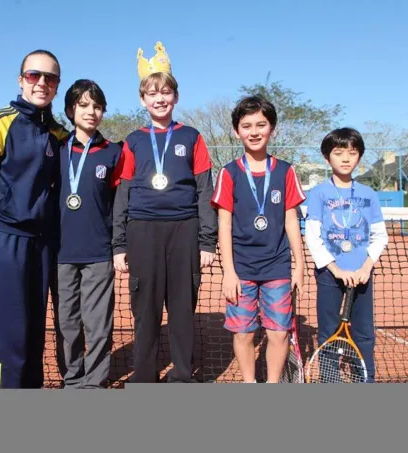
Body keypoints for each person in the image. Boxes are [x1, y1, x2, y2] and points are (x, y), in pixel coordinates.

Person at [112, 41, 218, 383]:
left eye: (166, 92)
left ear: (175, 96)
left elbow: (204, 191)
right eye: (152, 93)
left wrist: (206, 241)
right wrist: (119, 245)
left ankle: (182, 377)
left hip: (184, 231)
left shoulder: (192, 136)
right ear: (143, 99)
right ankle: (144, 376)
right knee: (145, 309)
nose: (160, 98)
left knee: (182, 309)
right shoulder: (133, 141)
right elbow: (122, 194)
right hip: (142, 231)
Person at [0, 49, 68, 389]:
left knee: (35, 337)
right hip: (5, 240)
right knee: (11, 341)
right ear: (20, 80)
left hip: (44, 245)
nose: (42, 83)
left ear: (56, 85)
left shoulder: (58, 134)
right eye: (34, 75)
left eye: (50, 78)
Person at [211, 95, 306, 383]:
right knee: (243, 332)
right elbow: (224, 225)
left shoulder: (286, 171)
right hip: (241, 268)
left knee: (278, 332)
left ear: (272, 128)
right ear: (236, 131)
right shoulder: (228, 173)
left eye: (261, 124)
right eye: (247, 125)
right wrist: (229, 271)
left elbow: (291, 220)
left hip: (277, 265)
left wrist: (299, 265)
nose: (254, 131)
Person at [53, 79, 124, 389]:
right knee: (67, 324)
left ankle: (94, 383)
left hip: (98, 253)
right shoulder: (55, 150)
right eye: (83, 105)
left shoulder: (114, 153)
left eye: (97, 106)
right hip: (60, 254)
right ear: (70, 110)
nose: (91, 111)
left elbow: (119, 205)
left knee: (98, 325)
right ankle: (72, 378)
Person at [304, 127, 389, 383]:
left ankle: (366, 380)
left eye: (352, 153)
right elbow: (312, 236)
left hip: (363, 275)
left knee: (364, 334)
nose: (345, 158)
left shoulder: (368, 194)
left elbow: (380, 235)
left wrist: (366, 267)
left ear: (359, 157)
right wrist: (336, 269)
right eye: (338, 152)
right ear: (327, 157)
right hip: (330, 276)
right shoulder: (318, 193)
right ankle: (330, 381)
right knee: (329, 333)